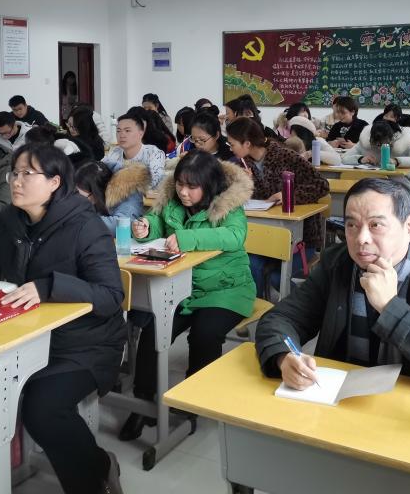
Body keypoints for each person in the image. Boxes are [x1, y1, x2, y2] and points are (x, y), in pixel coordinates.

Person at [0, 144, 127, 494]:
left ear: (54, 182)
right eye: (14, 173)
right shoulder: (11, 218)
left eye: (27, 174)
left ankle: (96, 472)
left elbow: (111, 295)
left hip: (84, 346)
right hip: (22, 338)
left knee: (43, 407)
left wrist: (48, 286)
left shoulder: (85, 226)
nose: (16, 181)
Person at [255, 177, 410, 392]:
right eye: (351, 225)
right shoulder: (336, 263)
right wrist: (284, 357)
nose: (361, 239)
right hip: (340, 400)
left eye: (376, 225)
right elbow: (280, 319)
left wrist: (390, 307)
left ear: (409, 228)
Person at [120, 151, 256, 441]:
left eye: (192, 186)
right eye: (180, 184)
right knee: (154, 330)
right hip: (184, 289)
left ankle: (193, 402)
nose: (183, 192)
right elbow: (159, 223)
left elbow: (234, 237)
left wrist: (187, 239)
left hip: (226, 289)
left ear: (210, 185)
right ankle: (143, 403)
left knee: (205, 334)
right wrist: (146, 228)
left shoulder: (229, 205)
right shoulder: (173, 202)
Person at [227, 117, 329, 294]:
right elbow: (251, 201)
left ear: (247, 143)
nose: (230, 148)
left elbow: (321, 185)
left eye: (232, 144)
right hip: (264, 236)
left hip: (301, 239)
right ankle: (258, 306)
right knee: (251, 265)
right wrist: (244, 184)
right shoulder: (243, 164)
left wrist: (289, 195)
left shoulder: (285, 156)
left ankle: (301, 307)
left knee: (277, 277)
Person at [341, 118, 410, 180]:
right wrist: (361, 159)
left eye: (383, 144)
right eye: (377, 144)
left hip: (399, 184)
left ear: (391, 139)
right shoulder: (365, 143)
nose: (379, 148)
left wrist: (397, 161)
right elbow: (343, 159)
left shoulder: (403, 144)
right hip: (371, 182)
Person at [75, 160, 149, 232]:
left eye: (82, 197)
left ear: (96, 193)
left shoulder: (129, 188)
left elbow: (122, 225)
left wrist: (81, 220)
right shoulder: (95, 177)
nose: (78, 200)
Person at [102, 106, 166, 188]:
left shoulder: (153, 153)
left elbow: (155, 181)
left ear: (141, 133)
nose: (122, 135)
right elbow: (99, 172)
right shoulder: (114, 152)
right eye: (118, 131)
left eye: (127, 130)